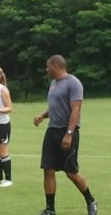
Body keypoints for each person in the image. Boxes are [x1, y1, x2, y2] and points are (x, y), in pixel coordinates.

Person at [33, 55, 97, 215]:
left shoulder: (73, 83)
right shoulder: (53, 84)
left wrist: (69, 134)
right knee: (48, 170)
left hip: (67, 131)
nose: (46, 69)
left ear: (56, 65)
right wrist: (43, 115)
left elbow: (75, 110)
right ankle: (50, 209)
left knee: (71, 172)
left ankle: (91, 201)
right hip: (52, 131)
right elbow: (56, 107)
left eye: (48, 66)